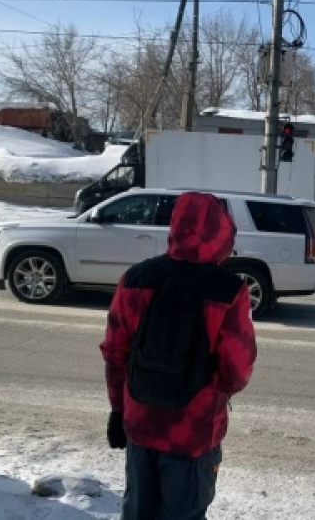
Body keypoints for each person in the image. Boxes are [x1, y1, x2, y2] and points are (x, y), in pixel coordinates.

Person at [100, 192, 257, 520]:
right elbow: (236, 369)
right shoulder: (229, 290)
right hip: (194, 433)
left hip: (140, 424)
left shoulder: (134, 279)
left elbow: (115, 354)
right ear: (223, 233)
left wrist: (118, 411)